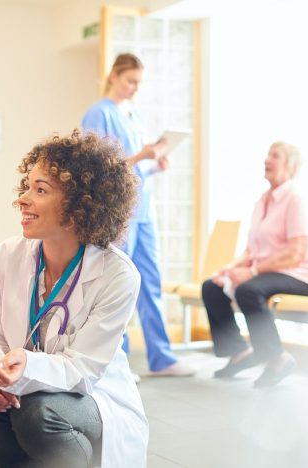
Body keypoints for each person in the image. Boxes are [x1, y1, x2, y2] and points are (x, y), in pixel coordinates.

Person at [0, 130, 149, 468]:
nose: (22, 199)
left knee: (39, 412)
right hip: (23, 390)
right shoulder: (6, 257)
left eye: (40, 190)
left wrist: (23, 370)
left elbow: (83, 368)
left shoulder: (117, 275)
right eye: (26, 186)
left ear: (80, 205)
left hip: (91, 398)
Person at [81, 52, 194, 377]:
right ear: (114, 76)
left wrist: (153, 165)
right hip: (120, 215)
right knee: (119, 283)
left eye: (139, 83)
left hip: (143, 212)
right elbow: (97, 168)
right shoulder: (98, 114)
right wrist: (139, 155)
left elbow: (134, 170)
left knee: (150, 281)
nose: (134, 88)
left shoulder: (134, 115)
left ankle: (162, 357)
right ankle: (118, 362)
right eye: (130, 81)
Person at [202, 142, 308, 387]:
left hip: (299, 274)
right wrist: (228, 269)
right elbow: (252, 250)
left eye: (276, 156)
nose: (267, 160)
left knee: (248, 290)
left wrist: (251, 272)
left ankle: (277, 359)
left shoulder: (296, 199)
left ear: (290, 166)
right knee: (212, 286)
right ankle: (239, 352)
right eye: (267, 154)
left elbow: (296, 252)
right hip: (268, 271)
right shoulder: (262, 201)